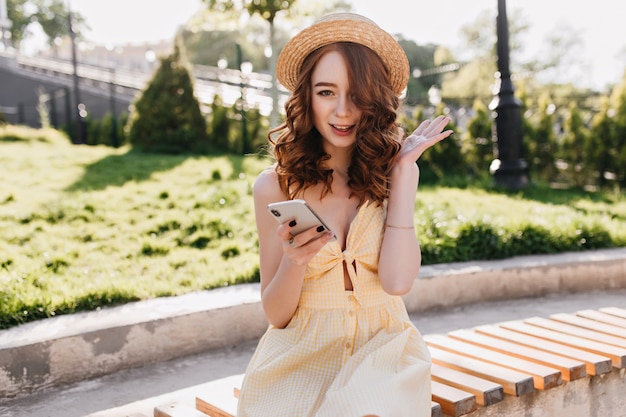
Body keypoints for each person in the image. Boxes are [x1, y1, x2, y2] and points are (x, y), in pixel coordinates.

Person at [237, 12, 452, 417]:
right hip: (301, 357)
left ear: (376, 98)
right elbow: (276, 315)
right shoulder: (275, 186)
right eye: (326, 92)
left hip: (384, 355)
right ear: (306, 97)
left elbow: (397, 281)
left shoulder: (394, 172)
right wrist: (294, 261)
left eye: (356, 94)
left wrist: (405, 173)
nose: (342, 111)